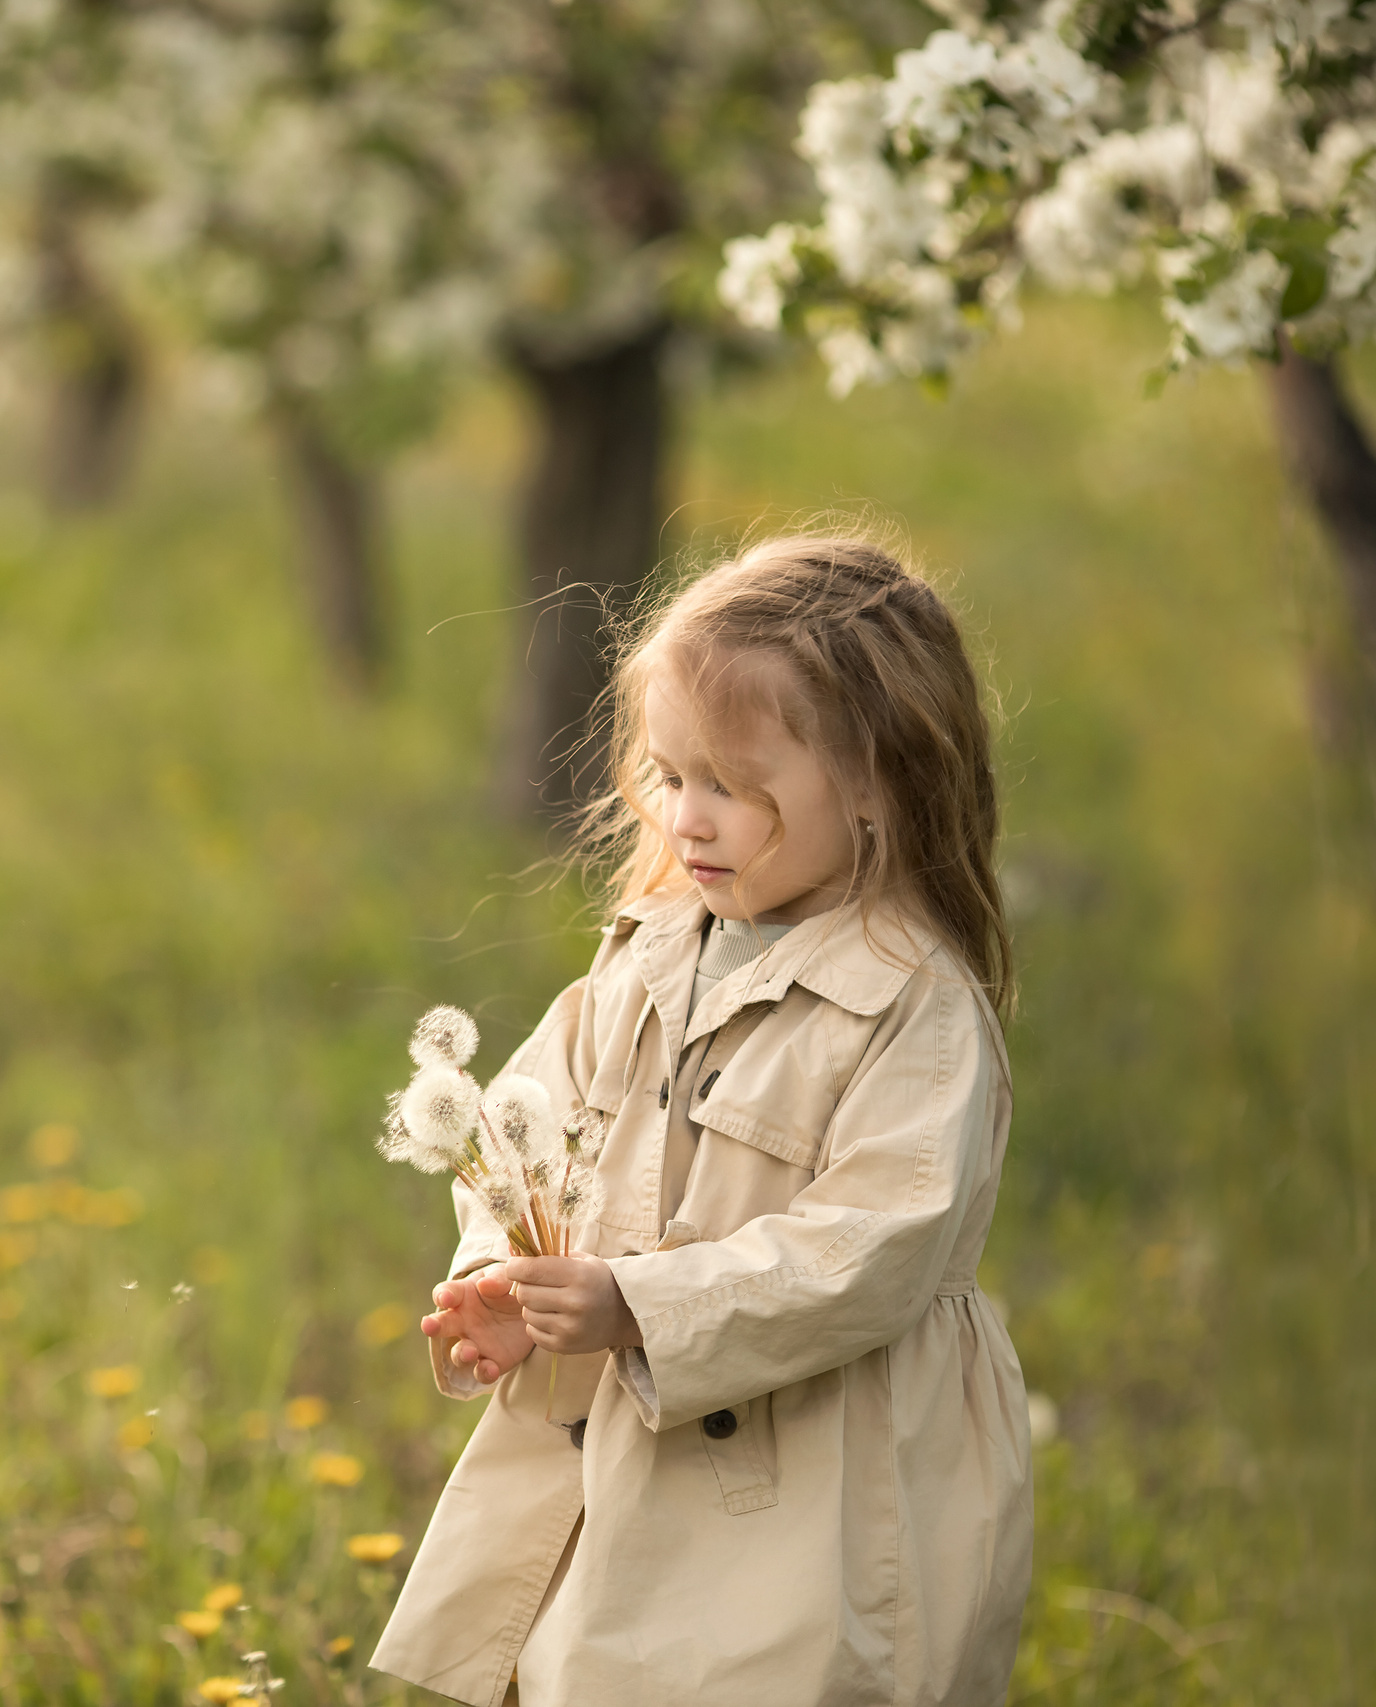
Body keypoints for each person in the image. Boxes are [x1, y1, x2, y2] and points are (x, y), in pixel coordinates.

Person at [369, 534, 1032, 1707]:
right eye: (671, 777)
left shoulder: (909, 1004)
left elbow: (873, 1247)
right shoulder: (650, 950)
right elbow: (521, 1129)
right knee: (601, 1669)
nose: (687, 817)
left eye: (731, 784)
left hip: (821, 1475)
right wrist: (509, 1277)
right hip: (634, 1450)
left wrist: (639, 1304)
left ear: (878, 777)